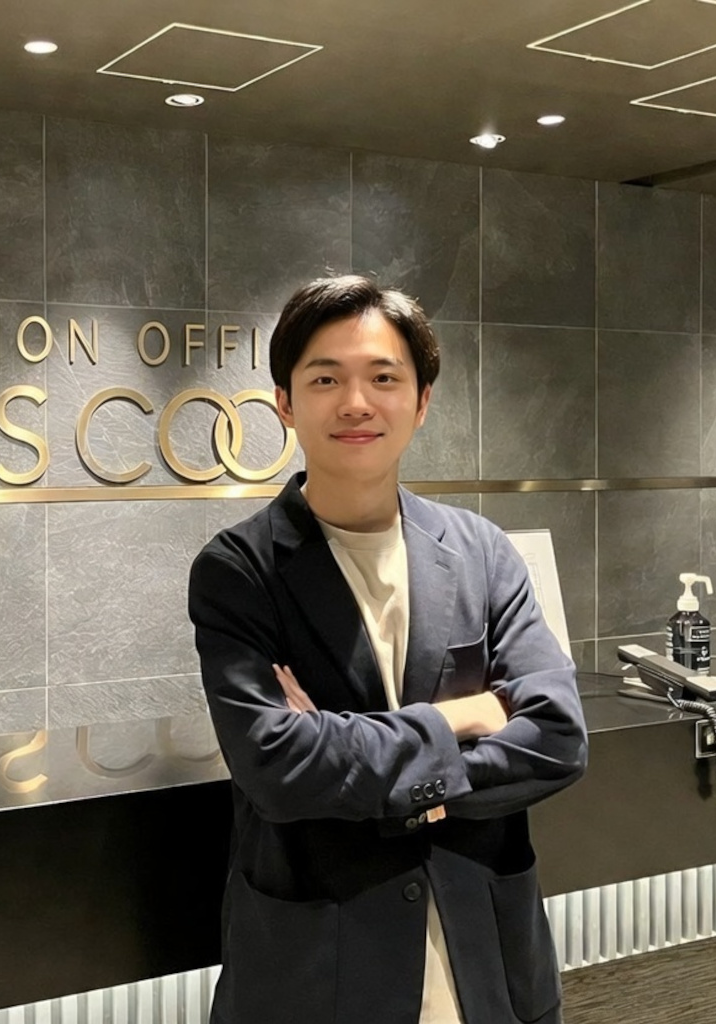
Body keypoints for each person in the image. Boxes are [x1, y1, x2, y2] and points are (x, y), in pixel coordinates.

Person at [188, 276, 588, 1024]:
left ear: (422, 400)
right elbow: (278, 768)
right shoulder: (240, 572)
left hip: (485, 960)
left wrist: (353, 755)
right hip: (320, 975)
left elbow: (558, 736)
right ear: (284, 403)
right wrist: (467, 716)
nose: (355, 403)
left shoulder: (482, 552)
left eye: (383, 378)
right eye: (325, 379)